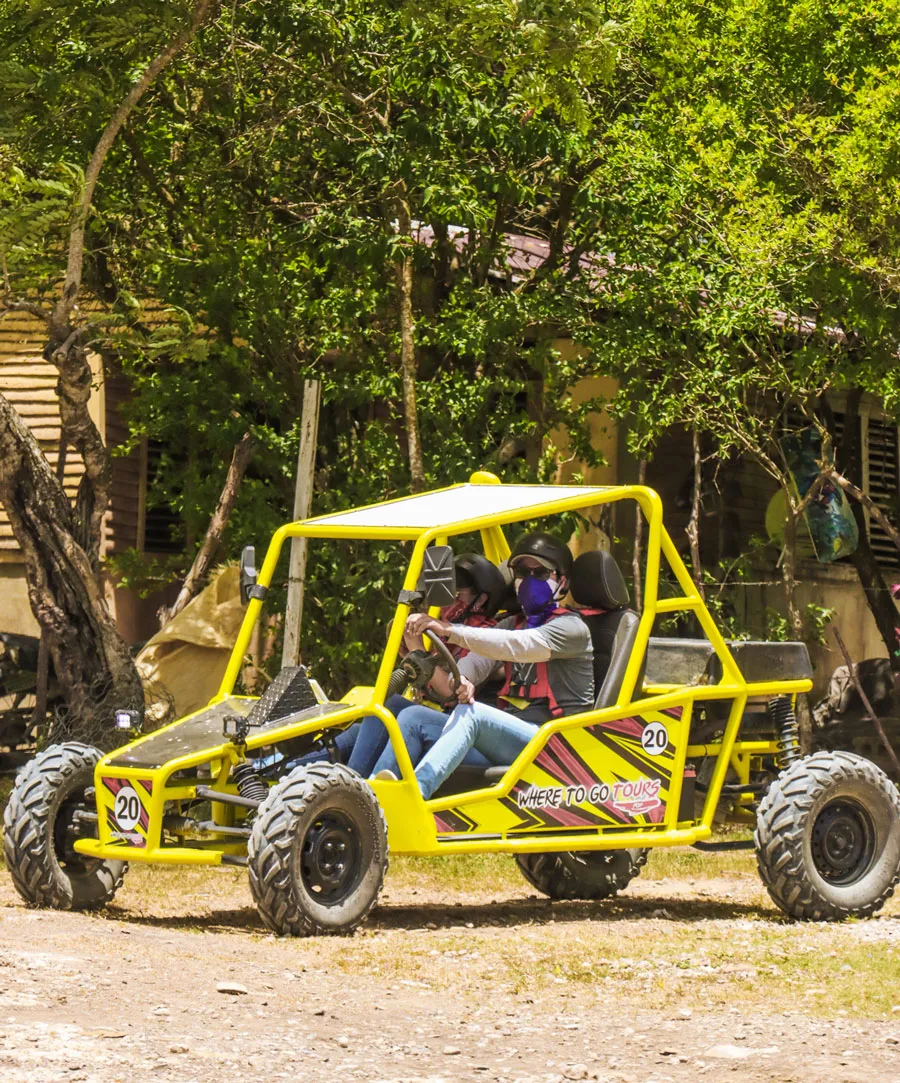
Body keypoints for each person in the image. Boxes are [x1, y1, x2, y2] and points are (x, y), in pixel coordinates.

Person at [383, 532, 593, 799]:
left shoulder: (572, 628)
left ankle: (413, 797)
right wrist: (464, 680)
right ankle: (367, 801)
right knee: (407, 714)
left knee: (473, 714)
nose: (528, 580)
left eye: (539, 572)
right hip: (513, 738)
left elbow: (516, 645)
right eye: (521, 571)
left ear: (562, 582)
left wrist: (449, 630)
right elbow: (467, 670)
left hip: (557, 744)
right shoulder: (511, 624)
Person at [271, 553, 506, 777]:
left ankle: (352, 792)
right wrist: (410, 653)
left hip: (464, 727)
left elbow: (450, 692)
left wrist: (417, 650)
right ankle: (274, 773)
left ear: (481, 598)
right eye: (447, 596)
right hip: (436, 715)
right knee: (356, 731)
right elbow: (425, 680)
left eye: (457, 595)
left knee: (392, 708)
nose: (449, 603)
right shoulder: (447, 630)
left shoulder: (487, 635)